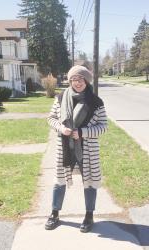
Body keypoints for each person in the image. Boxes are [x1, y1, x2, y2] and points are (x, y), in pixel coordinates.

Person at [45, 65, 108, 232]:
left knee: (89, 182)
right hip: (65, 148)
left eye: (80, 79)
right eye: (74, 79)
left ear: (86, 81)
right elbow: (51, 119)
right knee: (59, 180)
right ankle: (54, 214)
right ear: (70, 81)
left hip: (87, 150)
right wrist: (60, 128)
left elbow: (103, 127)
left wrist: (82, 132)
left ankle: (89, 216)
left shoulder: (96, 102)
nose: (77, 82)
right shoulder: (60, 98)